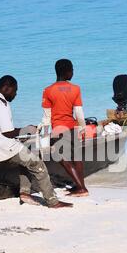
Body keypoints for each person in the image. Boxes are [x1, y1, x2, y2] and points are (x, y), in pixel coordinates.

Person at [0, 75, 72, 209]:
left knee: (27, 154)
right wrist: (27, 130)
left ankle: (25, 193)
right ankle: (53, 201)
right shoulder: (2, 103)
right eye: (14, 90)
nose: (15, 94)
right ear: (6, 88)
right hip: (3, 147)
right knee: (38, 165)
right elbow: (7, 132)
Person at [41, 59, 89, 197]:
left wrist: (44, 134)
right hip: (72, 127)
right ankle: (81, 186)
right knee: (76, 157)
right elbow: (79, 113)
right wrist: (83, 127)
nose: (73, 72)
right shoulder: (75, 89)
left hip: (58, 129)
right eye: (72, 69)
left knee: (60, 157)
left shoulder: (47, 90)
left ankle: (80, 187)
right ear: (67, 72)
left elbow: (46, 117)